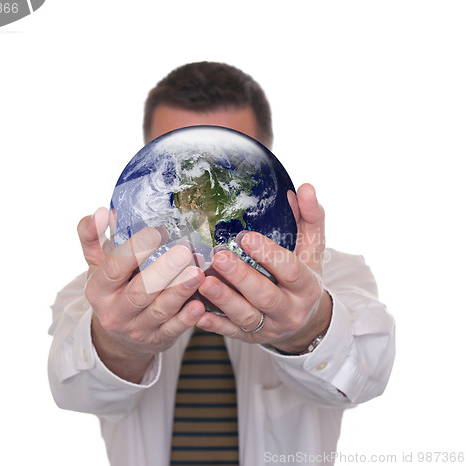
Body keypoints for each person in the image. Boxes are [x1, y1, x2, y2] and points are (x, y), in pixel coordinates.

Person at [48, 62, 395, 466]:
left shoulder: (333, 277)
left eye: (228, 159)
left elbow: (367, 375)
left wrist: (310, 327)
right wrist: (117, 344)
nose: (203, 177)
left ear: (267, 159)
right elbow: (73, 391)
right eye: (180, 158)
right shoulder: (100, 295)